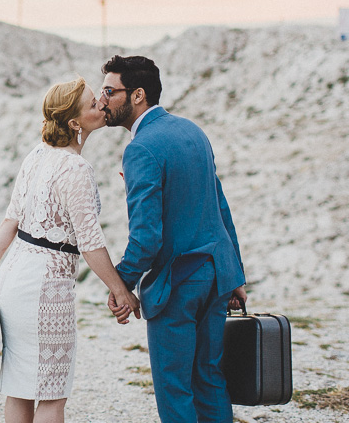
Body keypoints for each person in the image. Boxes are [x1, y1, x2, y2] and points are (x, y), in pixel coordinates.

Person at [0, 76, 140, 423]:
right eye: (94, 102)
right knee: (52, 393)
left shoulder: (37, 155)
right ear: (76, 122)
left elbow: (10, 221)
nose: (102, 105)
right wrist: (120, 290)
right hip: (46, 289)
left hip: (12, 280)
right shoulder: (76, 168)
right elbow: (91, 243)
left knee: (19, 387)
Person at [99, 55, 247, 423]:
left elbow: (147, 238)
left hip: (178, 284)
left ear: (137, 95)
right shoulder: (193, 131)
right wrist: (236, 276)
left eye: (109, 91)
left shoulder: (141, 149)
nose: (102, 100)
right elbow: (220, 207)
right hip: (216, 276)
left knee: (174, 386)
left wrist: (121, 284)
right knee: (210, 379)